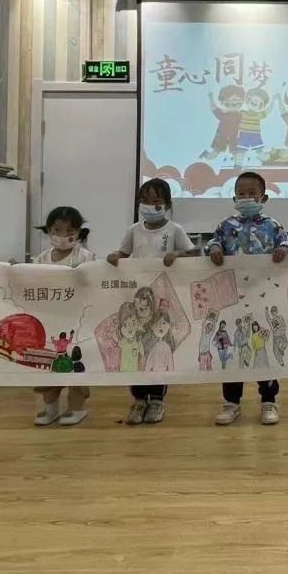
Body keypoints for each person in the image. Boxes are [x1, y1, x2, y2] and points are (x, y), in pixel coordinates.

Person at [107, 178, 197, 426]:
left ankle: (157, 399)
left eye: (156, 201)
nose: (149, 205)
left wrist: (176, 254)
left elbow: (193, 253)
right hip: (139, 302)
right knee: (136, 347)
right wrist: (115, 257)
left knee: (157, 347)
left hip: (162, 303)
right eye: (145, 200)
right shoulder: (133, 230)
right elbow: (123, 254)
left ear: (167, 204)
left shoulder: (175, 230)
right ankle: (139, 398)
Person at [207, 171, 288, 425]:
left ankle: (268, 400)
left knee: (263, 347)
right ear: (234, 197)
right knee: (234, 349)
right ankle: (232, 402)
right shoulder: (225, 226)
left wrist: (283, 249)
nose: (246, 197)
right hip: (234, 299)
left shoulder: (273, 226)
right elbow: (212, 243)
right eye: (241, 193)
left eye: (252, 193)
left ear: (263, 197)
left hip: (264, 298)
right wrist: (214, 248)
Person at [31, 206, 95, 427]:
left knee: (76, 365)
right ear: (48, 230)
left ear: (78, 232)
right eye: (57, 230)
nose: (62, 235)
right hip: (49, 321)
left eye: (69, 231)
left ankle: (77, 408)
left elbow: (94, 283)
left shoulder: (86, 257)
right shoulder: (41, 259)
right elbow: (29, 282)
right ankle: (51, 408)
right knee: (48, 365)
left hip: (76, 323)